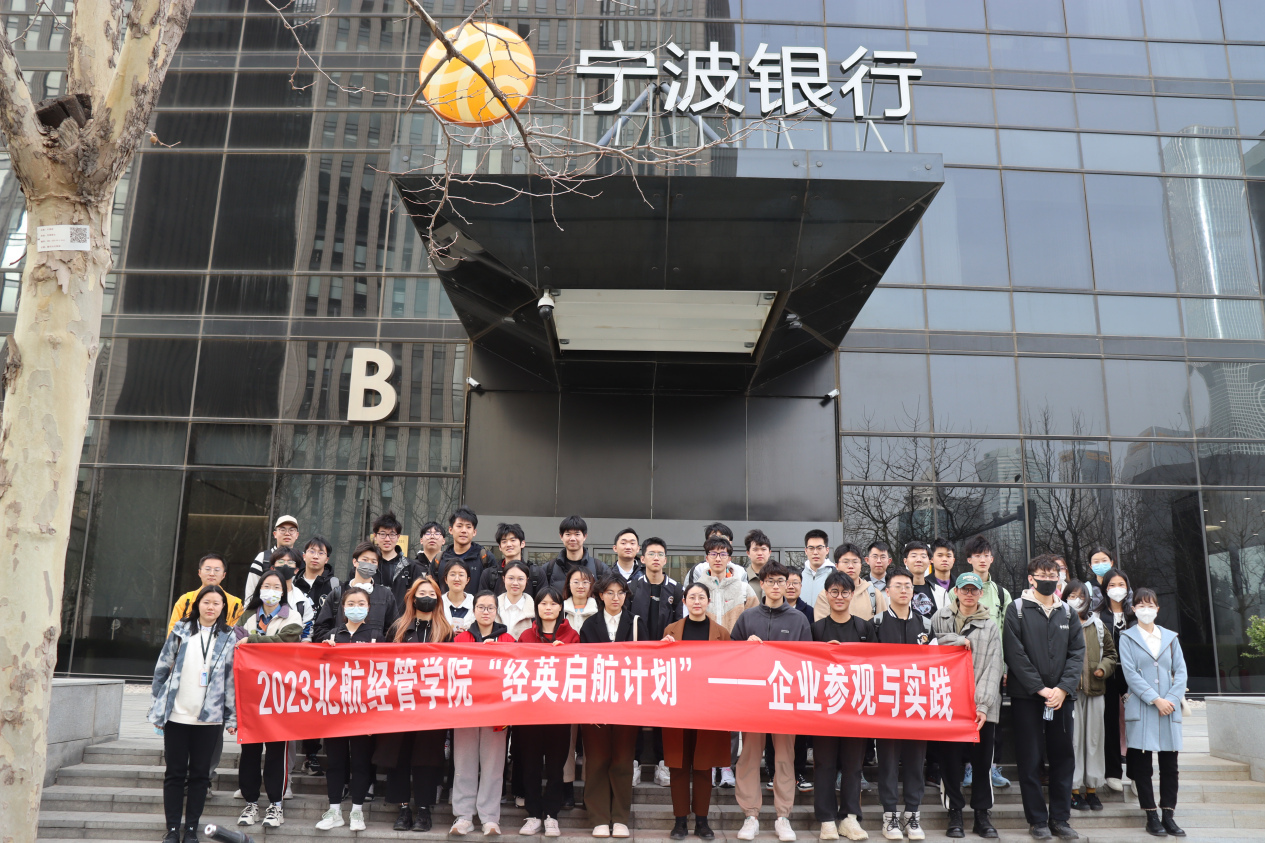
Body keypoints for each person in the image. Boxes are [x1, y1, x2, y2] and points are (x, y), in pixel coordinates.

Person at [1004, 554, 1085, 841]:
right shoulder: (1017, 609)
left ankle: (1060, 819)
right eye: (1042, 575)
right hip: (1027, 696)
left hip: (1062, 697)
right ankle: (1037, 820)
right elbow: (1014, 652)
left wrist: (1063, 688)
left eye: (1053, 576)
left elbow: (1077, 653)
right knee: (1030, 758)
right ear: (1031, 578)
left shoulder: (1067, 613)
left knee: (1063, 757)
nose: (1048, 580)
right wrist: (1040, 687)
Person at [731, 560, 812, 842]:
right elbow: (729, 656)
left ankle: (783, 816)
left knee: (785, 758)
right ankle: (750, 815)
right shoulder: (747, 617)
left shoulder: (799, 620)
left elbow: (808, 662)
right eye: (771, 581)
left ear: (788, 584)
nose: (776, 586)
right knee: (749, 757)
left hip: (785, 701)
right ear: (762, 584)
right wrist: (745, 648)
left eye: (781, 581)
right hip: (752, 701)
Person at [149, 585, 237, 843]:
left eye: (216, 603)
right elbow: (162, 668)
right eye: (206, 602)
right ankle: (172, 829)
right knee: (174, 773)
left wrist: (231, 717)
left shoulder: (228, 636)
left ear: (223, 607)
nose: (211, 607)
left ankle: (190, 830)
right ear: (198, 604)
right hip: (177, 714)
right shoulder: (181, 629)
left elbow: (231, 680)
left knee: (200, 776)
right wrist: (158, 708)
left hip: (209, 718)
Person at [930, 572, 1004, 840]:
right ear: (956, 592)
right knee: (949, 761)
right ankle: (955, 813)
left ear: (981, 593)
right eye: (965, 589)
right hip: (948, 703)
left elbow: (995, 665)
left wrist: (982, 705)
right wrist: (958, 640)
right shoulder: (940, 617)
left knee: (982, 763)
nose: (969, 594)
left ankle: (982, 814)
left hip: (981, 706)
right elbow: (929, 647)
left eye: (974, 590)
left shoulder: (990, 624)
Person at [382, 577, 454, 832]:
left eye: (432, 594)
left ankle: (424, 809)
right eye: (422, 593)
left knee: (427, 758)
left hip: (432, 706)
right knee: (399, 757)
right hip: (400, 704)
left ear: (438, 599)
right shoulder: (398, 628)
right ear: (412, 598)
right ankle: (403, 809)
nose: (427, 598)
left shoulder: (447, 631)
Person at [661, 582, 730, 841]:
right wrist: (662, 646)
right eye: (692, 597)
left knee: (703, 766)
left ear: (708, 601)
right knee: (678, 766)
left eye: (702, 597)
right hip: (677, 707)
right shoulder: (671, 631)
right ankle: (680, 821)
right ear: (684, 602)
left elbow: (731, 666)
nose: (697, 601)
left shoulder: (721, 633)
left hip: (708, 708)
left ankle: (702, 821)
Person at [235, 570, 304, 828]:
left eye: (277, 587)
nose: (271, 591)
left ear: (283, 592)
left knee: (277, 752)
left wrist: (252, 640)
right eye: (267, 585)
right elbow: (237, 643)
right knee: (249, 751)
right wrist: (255, 642)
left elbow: (285, 643)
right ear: (259, 589)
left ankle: (276, 804)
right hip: (251, 693)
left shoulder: (292, 616)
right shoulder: (247, 616)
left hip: (279, 694)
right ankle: (251, 802)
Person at [873, 566, 935, 841]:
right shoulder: (875, 624)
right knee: (887, 763)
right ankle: (889, 816)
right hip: (886, 706)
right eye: (897, 586)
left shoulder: (926, 625)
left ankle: (912, 815)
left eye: (908, 586)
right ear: (887, 591)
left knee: (915, 762)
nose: (903, 590)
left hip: (916, 705)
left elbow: (936, 661)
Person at [811, 571, 874, 842]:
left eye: (845, 592)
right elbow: (806, 667)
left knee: (853, 765)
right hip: (824, 709)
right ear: (826, 594)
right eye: (834, 592)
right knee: (824, 764)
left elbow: (875, 664)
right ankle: (826, 820)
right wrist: (825, 652)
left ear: (852, 595)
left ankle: (850, 818)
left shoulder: (864, 628)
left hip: (856, 708)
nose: (839, 597)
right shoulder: (816, 629)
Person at [1119, 588, 1187, 838]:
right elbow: (1130, 674)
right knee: (1142, 765)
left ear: (1157, 609)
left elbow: (1181, 672)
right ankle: (1151, 815)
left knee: (1170, 765)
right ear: (1133, 609)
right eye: (1140, 605)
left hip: (1169, 709)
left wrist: (1170, 700)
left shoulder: (1170, 637)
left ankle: (1168, 814)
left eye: (1150, 605)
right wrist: (1155, 699)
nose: (1145, 610)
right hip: (1142, 707)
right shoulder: (1127, 638)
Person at [695, 534, 759, 790]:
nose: (718, 558)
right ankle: (710, 765)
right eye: (713, 554)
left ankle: (726, 766)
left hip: (735, 661)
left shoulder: (743, 588)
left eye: (723, 554)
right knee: (707, 716)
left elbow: (754, 618)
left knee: (731, 717)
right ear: (707, 558)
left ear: (730, 558)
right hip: (706, 661)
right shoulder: (698, 586)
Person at [579, 573, 641, 838]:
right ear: (600, 596)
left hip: (628, 700)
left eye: (620, 593)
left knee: (623, 760)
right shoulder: (589, 625)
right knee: (596, 759)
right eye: (610, 593)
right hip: (596, 699)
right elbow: (582, 665)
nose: (616, 598)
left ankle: (620, 818)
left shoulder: (636, 623)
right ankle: (599, 818)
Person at [517, 587, 580, 837]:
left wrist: (564, 654)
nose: (548, 608)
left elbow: (579, 668)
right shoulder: (526, 635)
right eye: (543, 603)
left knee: (556, 767)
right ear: (537, 608)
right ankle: (533, 814)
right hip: (529, 713)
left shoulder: (572, 635)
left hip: (559, 713)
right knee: (530, 766)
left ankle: (552, 815)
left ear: (560, 607)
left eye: (553, 604)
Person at [452, 591, 515, 835]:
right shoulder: (461, 639)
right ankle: (463, 816)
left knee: (493, 766)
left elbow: (515, 674)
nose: (486, 611)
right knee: (463, 763)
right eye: (481, 607)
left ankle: (489, 817)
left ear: (497, 611)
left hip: (496, 712)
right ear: (474, 609)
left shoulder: (508, 639)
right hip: (465, 710)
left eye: (490, 607)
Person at [315, 587, 378, 832]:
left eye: (361, 603)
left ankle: (357, 811)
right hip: (335, 712)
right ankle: (334, 811)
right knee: (335, 762)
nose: (356, 607)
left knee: (361, 762)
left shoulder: (377, 635)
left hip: (364, 712)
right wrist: (323, 651)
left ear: (368, 608)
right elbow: (316, 671)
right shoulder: (333, 634)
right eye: (351, 603)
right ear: (343, 607)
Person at [630, 536, 682, 789]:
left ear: (665, 559)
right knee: (635, 711)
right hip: (636, 661)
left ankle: (664, 764)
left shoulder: (676, 588)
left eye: (660, 554)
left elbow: (680, 624)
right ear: (642, 558)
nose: (656, 558)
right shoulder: (631, 587)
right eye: (651, 553)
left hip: (665, 661)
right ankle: (634, 763)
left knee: (664, 712)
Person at [963, 534, 1013, 792]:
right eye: (977, 555)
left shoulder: (1001, 594)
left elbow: (1008, 633)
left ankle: (992, 766)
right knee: (965, 717)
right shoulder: (957, 590)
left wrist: (1005, 667)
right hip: (963, 667)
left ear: (992, 559)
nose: (982, 560)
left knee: (993, 719)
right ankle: (968, 767)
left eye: (986, 555)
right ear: (969, 559)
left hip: (993, 667)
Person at [1064, 579, 1116, 814]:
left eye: (1081, 596)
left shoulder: (1098, 625)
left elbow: (1111, 654)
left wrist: (1103, 668)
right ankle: (1074, 791)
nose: (1077, 600)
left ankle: (1092, 790)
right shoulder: (1061, 623)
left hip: (1095, 691)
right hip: (1069, 693)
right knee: (1074, 742)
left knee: (1094, 741)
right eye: (1072, 596)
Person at [562, 564, 598, 806]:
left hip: (593, 680)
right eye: (576, 581)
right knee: (567, 739)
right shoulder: (558, 609)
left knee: (591, 741)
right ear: (568, 584)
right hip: (565, 681)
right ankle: (566, 789)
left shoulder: (599, 610)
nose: (581, 586)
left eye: (585, 582)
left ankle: (588, 791)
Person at [313, 541, 399, 642]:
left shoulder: (385, 595)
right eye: (365, 560)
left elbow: (394, 630)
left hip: (373, 650)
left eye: (373, 562)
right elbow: (320, 628)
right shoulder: (338, 593)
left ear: (377, 566)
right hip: (341, 650)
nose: (369, 564)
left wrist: (379, 644)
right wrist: (331, 641)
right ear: (355, 562)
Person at [1100, 567, 1136, 793]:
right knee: (1111, 723)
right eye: (1112, 585)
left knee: (1135, 725)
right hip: (1108, 676)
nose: (1116, 589)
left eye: (1121, 584)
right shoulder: (1098, 614)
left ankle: (1137, 774)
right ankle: (1112, 772)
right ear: (1105, 589)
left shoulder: (1135, 614)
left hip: (1133, 677)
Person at [167, 553, 243, 633]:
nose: (212, 574)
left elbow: (238, 635)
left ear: (224, 575)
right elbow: (173, 631)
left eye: (217, 570)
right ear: (199, 572)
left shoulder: (235, 604)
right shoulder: (186, 600)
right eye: (207, 569)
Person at [814, 543, 888, 622]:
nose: (851, 566)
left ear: (861, 566)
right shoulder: (826, 595)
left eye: (855, 562)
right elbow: (821, 626)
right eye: (846, 562)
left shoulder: (874, 594)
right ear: (837, 566)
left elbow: (883, 625)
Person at [539, 515, 609, 591]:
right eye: (568, 534)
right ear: (561, 536)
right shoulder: (548, 569)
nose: (572, 538)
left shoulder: (600, 568)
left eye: (577, 534)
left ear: (585, 536)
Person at [441, 505, 493, 588]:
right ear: (450, 530)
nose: (464, 531)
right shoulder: (440, 559)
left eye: (468, 527)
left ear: (474, 532)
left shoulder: (486, 558)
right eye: (459, 526)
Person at [479, 522, 528, 595]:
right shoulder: (488, 574)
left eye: (513, 540)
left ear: (522, 543)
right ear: (500, 547)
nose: (508, 544)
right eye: (504, 541)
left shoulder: (536, 574)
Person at [903, 541, 945, 620]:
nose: (919, 560)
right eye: (914, 556)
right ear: (905, 561)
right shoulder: (896, 591)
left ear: (929, 562)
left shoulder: (941, 592)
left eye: (923, 556)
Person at [496, 560, 535, 639]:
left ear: (526, 580)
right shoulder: (493, 608)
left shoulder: (535, 611)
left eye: (520, 579)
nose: (515, 583)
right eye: (511, 578)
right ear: (503, 578)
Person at [799, 529, 835, 610]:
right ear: (806, 551)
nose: (815, 552)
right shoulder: (798, 576)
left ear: (827, 550)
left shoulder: (836, 575)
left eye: (819, 548)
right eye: (811, 548)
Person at [441, 559, 476, 635]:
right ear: (446, 579)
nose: (457, 579)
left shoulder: (476, 603)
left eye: (461, 575)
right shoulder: (438, 603)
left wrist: (467, 635)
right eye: (452, 574)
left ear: (468, 580)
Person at [1086, 547, 1115, 612]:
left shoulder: (1122, 585)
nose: (1101, 564)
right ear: (1091, 566)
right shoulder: (1087, 588)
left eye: (1104, 561)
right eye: (1096, 562)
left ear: (1111, 563)